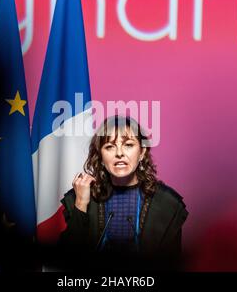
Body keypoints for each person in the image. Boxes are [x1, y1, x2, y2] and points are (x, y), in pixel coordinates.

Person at [58, 115, 188, 271]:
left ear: (141, 152)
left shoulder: (167, 204)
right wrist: (80, 204)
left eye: (128, 145)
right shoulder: (81, 195)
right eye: (110, 147)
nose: (119, 153)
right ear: (100, 156)